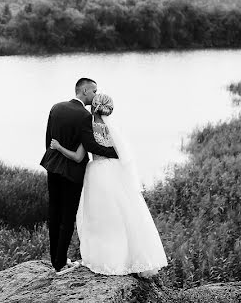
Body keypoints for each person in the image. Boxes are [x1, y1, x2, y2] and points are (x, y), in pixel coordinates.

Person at [49, 93, 167, 277]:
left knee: (100, 217)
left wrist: (58, 147)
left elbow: (80, 155)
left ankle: (105, 259)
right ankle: (127, 258)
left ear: (93, 107)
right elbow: (122, 152)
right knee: (123, 213)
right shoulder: (112, 128)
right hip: (115, 171)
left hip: (97, 173)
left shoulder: (87, 126)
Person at [40, 78, 119, 273]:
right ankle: (59, 264)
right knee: (67, 217)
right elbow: (90, 145)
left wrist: (54, 158)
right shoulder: (84, 116)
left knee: (54, 213)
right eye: (93, 91)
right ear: (84, 90)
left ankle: (55, 260)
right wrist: (116, 154)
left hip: (53, 167)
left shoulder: (56, 108)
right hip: (72, 173)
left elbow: (48, 139)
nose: (95, 95)